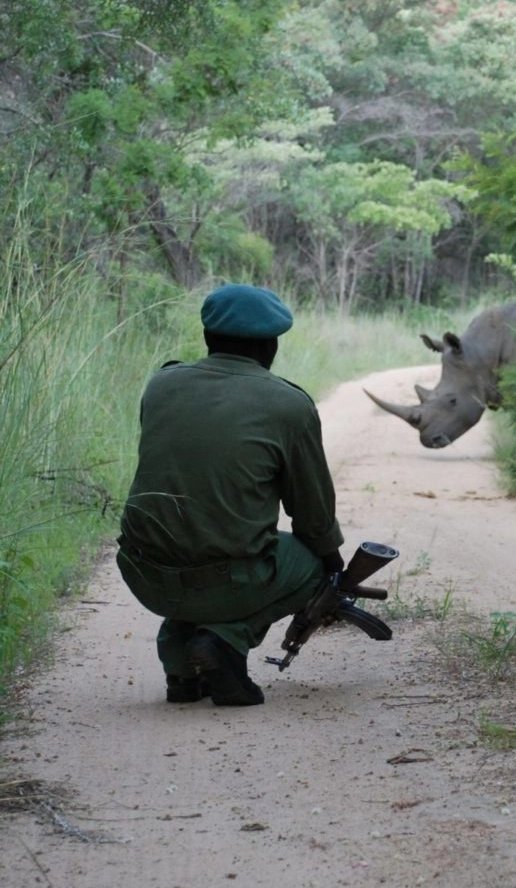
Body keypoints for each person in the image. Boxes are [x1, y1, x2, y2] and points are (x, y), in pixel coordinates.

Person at [117, 284, 345, 707]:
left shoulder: (160, 385)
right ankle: (223, 642)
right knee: (311, 563)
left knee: (195, 538)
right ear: (271, 345)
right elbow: (312, 516)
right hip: (222, 581)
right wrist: (333, 565)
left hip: (143, 572)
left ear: (208, 339)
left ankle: (182, 671)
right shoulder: (288, 405)